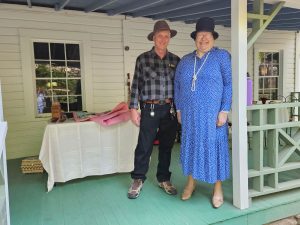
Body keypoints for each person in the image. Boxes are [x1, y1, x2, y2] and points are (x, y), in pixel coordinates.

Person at [174, 17, 232, 208]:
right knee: (192, 147)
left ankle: (217, 188)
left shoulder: (222, 56)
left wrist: (224, 109)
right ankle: (191, 182)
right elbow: (178, 86)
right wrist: (179, 109)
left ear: (213, 37)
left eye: (207, 35)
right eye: (200, 35)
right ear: (195, 38)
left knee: (214, 148)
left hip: (213, 116)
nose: (204, 38)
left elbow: (229, 84)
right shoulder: (185, 61)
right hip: (190, 115)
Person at [127, 20, 180, 199]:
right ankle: (138, 178)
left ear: (169, 38)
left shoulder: (175, 60)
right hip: (149, 108)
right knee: (144, 145)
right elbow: (136, 85)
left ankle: (163, 178)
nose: (163, 39)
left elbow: (179, 88)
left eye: (166, 36)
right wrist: (133, 108)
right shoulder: (143, 59)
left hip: (170, 109)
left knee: (166, 146)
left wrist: (180, 110)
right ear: (154, 38)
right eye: (160, 36)